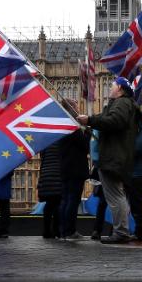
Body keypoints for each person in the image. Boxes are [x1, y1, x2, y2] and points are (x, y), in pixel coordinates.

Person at [77, 77, 141, 244]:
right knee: (117, 196)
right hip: (118, 156)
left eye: (112, 86)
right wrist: (90, 120)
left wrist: (90, 121)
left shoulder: (122, 103)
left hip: (114, 157)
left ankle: (121, 232)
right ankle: (123, 230)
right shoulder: (124, 104)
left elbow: (114, 121)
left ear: (119, 88)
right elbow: (108, 118)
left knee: (115, 196)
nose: (110, 89)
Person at [58, 99, 91, 239]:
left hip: (65, 168)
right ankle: (70, 231)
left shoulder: (61, 125)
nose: (78, 108)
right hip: (75, 168)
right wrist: (88, 130)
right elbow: (84, 145)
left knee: (65, 200)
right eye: (76, 106)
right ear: (71, 108)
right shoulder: (72, 126)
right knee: (73, 200)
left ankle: (63, 231)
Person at [38, 140, 63, 239]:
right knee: (58, 204)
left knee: (49, 205)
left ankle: (46, 231)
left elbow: (42, 157)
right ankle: (56, 230)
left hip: (46, 175)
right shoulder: (62, 141)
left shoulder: (45, 142)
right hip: (58, 175)